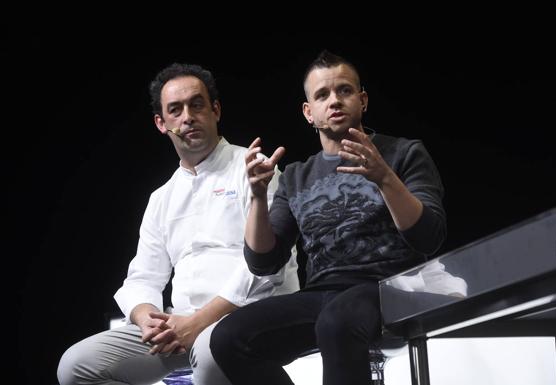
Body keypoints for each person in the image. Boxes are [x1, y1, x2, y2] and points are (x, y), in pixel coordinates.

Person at [210, 50, 446, 385]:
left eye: (345, 91)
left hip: (392, 286)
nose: (334, 100)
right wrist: (259, 199)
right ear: (309, 112)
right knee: (228, 337)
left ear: (362, 100)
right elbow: (263, 261)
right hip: (323, 293)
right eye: (322, 95)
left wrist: (384, 178)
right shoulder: (295, 176)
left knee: (336, 321)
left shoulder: (403, 153)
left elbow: (429, 236)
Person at [57, 63, 299, 385]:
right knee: (76, 366)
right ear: (161, 123)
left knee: (212, 355)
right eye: (175, 110)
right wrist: (147, 320)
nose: (187, 116)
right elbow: (143, 276)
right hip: (180, 325)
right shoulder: (162, 198)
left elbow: (265, 271)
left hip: (249, 318)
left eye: (197, 104)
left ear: (215, 110)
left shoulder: (254, 170)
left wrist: (197, 323)